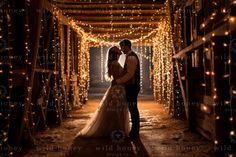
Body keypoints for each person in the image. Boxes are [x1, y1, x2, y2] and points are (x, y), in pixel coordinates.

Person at [75, 46, 129, 138]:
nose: (120, 54)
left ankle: (116, 130)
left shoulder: (113, 63)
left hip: (117, 88)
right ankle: (117, 130)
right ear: (115, 54)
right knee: (117, 110)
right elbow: (117, 77)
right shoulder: (115, 64)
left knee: (116, 110)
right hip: (117, 89)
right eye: (119, 53)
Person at [113, 39, 140, 139]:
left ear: (126, 46)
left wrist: (118, 81)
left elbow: (130, 74)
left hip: (132, 86)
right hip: (130, 86)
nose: (121, 49)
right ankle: (134, 131)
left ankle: (135, 132)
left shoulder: (131, 57)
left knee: (133, 109)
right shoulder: (128, 56)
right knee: (132, 108)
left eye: (121, 46)